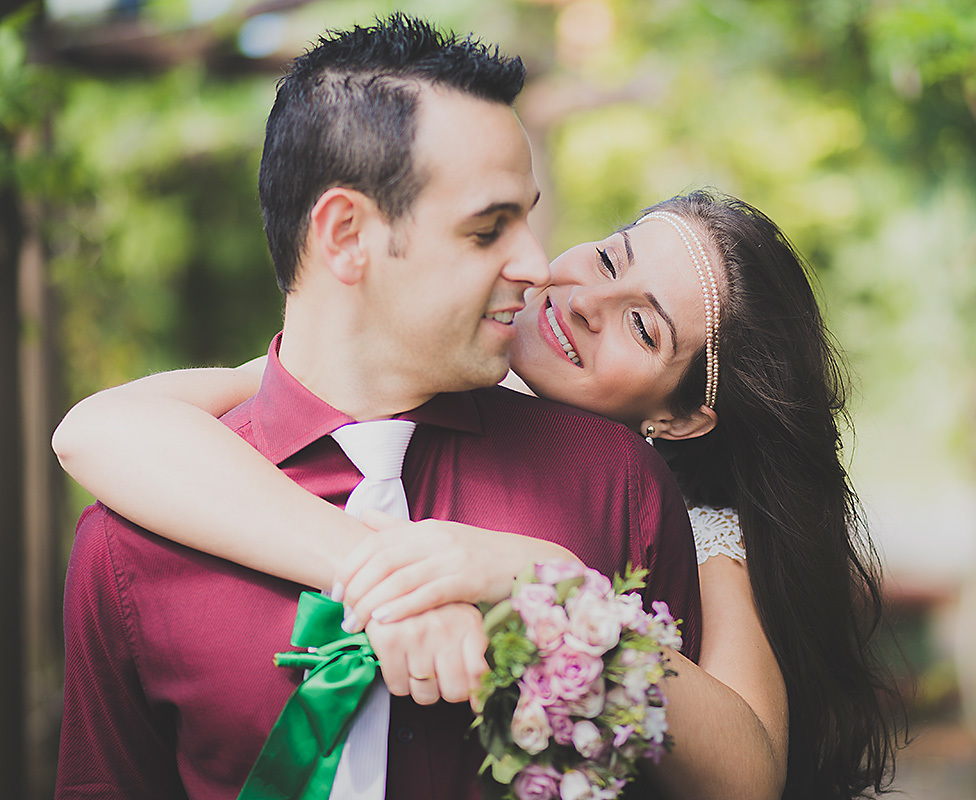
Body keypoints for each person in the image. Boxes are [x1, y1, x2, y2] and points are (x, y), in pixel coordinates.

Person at [56, 188, 900, 796]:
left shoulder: (687, 524)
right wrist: (384, 571)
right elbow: (94, 432)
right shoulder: (412, 375)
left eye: (644, 325)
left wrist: (551, 581)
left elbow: (747, 776)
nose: (586, 302)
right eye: (608, 258)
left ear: (682, 422)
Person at [53, 14, 705, 800]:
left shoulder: (612, 486)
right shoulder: (130, 542)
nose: (536, 265)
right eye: (488, 229)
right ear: (346, 234)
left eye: (527, 219)